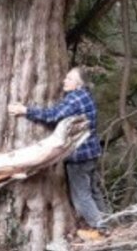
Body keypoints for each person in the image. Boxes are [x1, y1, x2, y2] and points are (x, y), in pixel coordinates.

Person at [8, 67, 109, 240]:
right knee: (94, 191)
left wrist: (26, 111)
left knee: (81, 197)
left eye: (69, 79)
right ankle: (110, 222)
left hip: (80, 156)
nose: (64, 81)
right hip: (92, 152)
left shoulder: (75, 99)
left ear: (79, 84)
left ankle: (101, 230)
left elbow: (53, 115)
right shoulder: (85, 96)